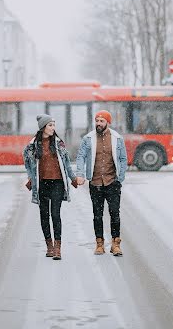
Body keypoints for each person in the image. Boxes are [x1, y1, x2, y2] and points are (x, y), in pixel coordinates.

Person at [23, 114, 78, 260]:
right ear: (43, 127)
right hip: (41, 184)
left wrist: (73, 178)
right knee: (44, 215)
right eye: (50, 125)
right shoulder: (33, 145)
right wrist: (30, 177)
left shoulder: (59, 143)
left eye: (54, 125)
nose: (53, 128)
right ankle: (49, 246)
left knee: (55, 214)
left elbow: (66, 163)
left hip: (57, 183)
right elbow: (27, 163)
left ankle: (58, 248)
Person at [76, 110, 127, 256]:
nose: (98, 123)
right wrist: (80, 174)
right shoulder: (88, 139)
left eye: (101, 121)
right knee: (97, 215)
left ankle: (116, 244)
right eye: (97, 121)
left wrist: (120, 177)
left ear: (107, 122)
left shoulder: (117, 138)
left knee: (114, 213)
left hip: (112, 182)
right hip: (96, 182)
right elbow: (80, 157)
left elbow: (123, 159)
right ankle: (99, 244)